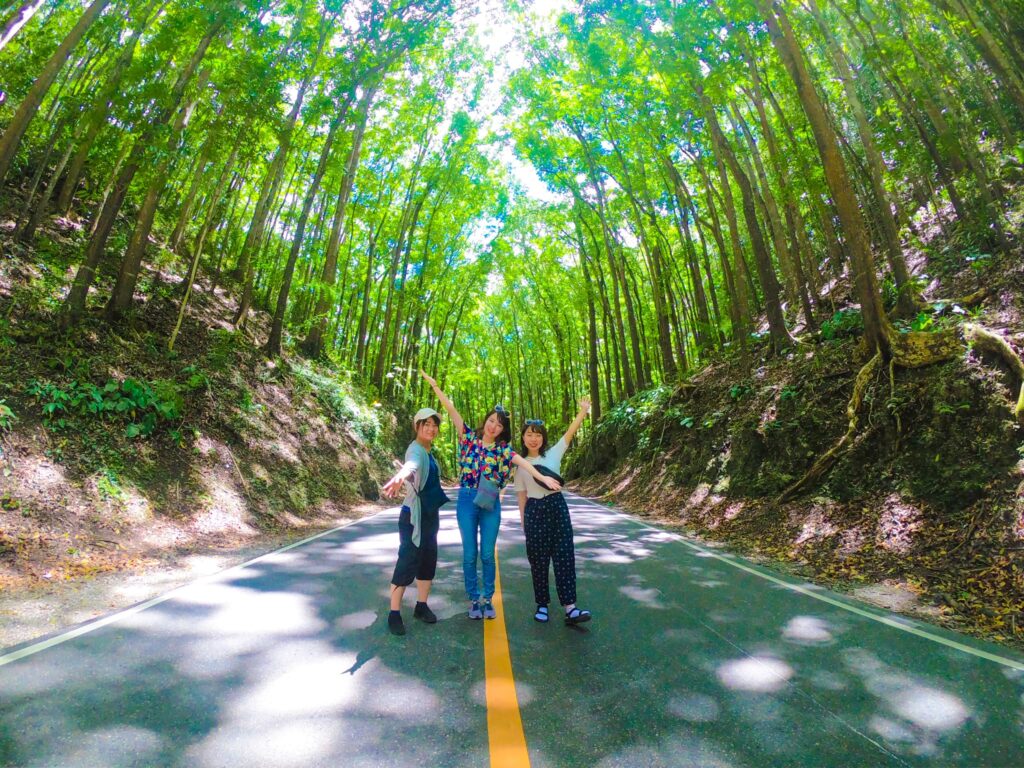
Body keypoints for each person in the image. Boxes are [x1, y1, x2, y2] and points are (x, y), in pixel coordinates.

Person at [420, 370, 561, 620]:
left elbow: (526, 464)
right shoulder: (468, 438)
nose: (494, 426)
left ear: (502, 430)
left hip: (490, 503)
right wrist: (435, 388)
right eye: (492, 420)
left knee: (487, 553)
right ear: (486, 420)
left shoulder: (504, 449)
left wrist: (543, 477)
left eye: (499, 424)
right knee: (469, 553)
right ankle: (474, 599)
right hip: (466, 499)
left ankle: (488, 599)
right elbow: (450, 409)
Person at [514, 398, 592, 625]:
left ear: (543, 437)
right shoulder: (520, 463)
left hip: (557, 507)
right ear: (523, 437)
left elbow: (570, 433)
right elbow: (522, 497)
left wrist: (583, 411)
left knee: (564, 556)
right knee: (538, 561)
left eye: (538, 434)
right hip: (534, 511)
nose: (533, 438)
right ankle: (542, 604)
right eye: (529, 434)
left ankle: (570, 607)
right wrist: (523, 523)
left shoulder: (553, 454)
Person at [380, 407, 450, 636]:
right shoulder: (416, 451)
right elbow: (411, 466)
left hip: (429, 515)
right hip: (413, 517)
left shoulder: (429, 452)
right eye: (425, 424)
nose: (431, 428)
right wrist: (400, 477)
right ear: (417, 426)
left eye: (434, 424)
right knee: (407, 562)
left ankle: (421, 606)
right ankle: (394, 613)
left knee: (428, 560)